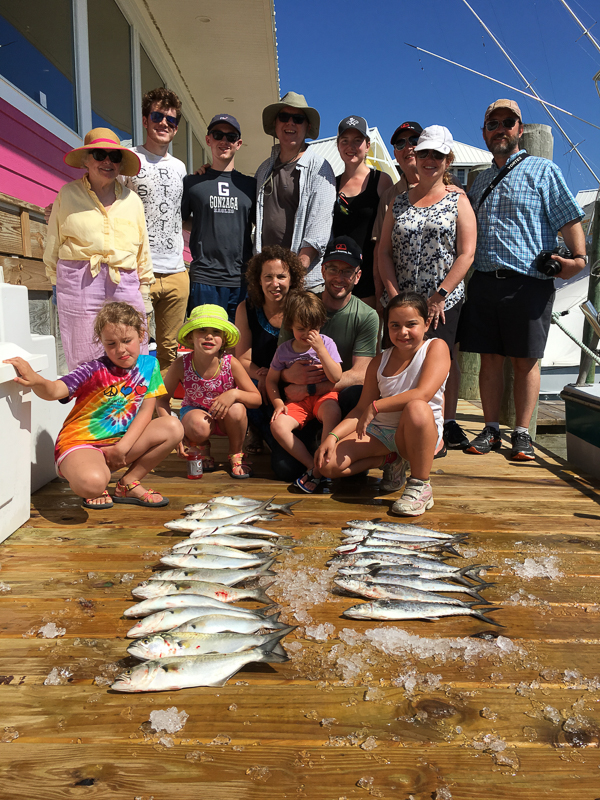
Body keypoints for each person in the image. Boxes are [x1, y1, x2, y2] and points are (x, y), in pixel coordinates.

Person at [461, 99, 586, 460]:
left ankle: (521, 433)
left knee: (526, 360)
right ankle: (490, 430)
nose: (500, 129)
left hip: (528, 281)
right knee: (490, 359)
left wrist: (576, 259)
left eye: (507, 122)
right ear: (485, 132)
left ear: (519, 129)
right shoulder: (479, 179)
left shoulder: (543, 170)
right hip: (484, 279)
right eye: (493, 123)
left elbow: (568, 216)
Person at [3, 302, 182, 509]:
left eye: (127, 340)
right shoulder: (92, 369)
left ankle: (128, 483)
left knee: (172, 426)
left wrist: (121, 448)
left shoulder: (150, 365)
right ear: (102, 343)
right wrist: (36, 380)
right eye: (111, 344)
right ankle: (93, 476)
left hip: (121, 443)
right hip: (81, 443)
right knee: (94, 483)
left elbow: (146, 410)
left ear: (141, 335)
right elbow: (54, 391)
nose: (120, 350)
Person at [378, 126, 477, 453]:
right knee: (400, 365)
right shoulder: (399, 201)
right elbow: (384, 252)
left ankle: (438, 431)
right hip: (403, 304)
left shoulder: (458, 199)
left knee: (439, 368)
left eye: (437, 154)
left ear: (448, 160)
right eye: (424, 154)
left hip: (441, 304)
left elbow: (466, 253)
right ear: (415, 157)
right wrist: (394, 298)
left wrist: (440, 296)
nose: (429, 160)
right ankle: (397, 433)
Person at [315, 292, 450, 517]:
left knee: (416, 406)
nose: (403, 332)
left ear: (426, 324)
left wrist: (377, 406)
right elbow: (360, 409)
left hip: (418, 432)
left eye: (411, 324)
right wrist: (332, 437)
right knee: (327, 465)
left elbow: (423, 393)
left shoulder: (436, 348)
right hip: (382, 433)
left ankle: (420, 485)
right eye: (395, 325)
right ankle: (391, 460)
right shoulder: (380, 360)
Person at [44, 129, 153, 371]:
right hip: (78, 279)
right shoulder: (68, 193)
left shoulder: (132, 200)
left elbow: (142, 248)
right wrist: (54, 281)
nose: (107, 161)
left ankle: (135, 406)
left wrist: (145, 289)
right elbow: (54, 239)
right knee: (84, 348)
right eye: (99, 154)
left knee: (132, 345)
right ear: (86, 160)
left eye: (114, 157)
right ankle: (92, 406)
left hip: (123, 279)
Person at [274, 236, 380, 482]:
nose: (339, 277)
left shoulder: (367, 316)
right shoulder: (301, 305)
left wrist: (310, 386)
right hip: (297, 400)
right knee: (284, 469)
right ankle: (313, 454)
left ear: (358, 275)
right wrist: (289, 377)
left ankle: (335, 444)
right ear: (322, 270)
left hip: (332, 399)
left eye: (347, 271)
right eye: (333, 269)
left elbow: (361, 373)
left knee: (357, 392)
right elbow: (279, 363)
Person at [123, 88, 188, 371]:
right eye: (158, 116)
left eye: (171, 120)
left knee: (169, 349)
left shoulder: (181, 168)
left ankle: (162, 410)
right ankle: (136, 407)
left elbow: (183, 213)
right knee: (133, 345)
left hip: (176, 271)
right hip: (139, 272)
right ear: (145, 120)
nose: (164, 124)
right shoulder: (127, 159)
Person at [157, 304, 260, 478]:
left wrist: (234, 393)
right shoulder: (181, 365)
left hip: (227, 419)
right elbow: (161, 398)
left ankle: (235, 453)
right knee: (198, 425)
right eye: (202, 330)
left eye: (216, 332)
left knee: (237, 408)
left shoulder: (230, 363)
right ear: (191, 336)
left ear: (224, 339)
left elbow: (256, 399)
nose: (209, 336)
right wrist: (172, 428)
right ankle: (201, 446)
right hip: (197, 417)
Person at [255, 92, 336, 292]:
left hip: (302, 283)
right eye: (284, 117)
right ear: (275, 123)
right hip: (268, 282)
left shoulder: (320, 167)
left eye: (298, 119)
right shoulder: (263, 169)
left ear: (307, 127)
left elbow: (319, 229)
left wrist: (294, 274)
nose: (290, 123)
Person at [182, 114, 256, 322]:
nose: (224, 141)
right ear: (208, 140)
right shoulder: (193, 182)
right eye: (218, 135)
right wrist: (205, 225)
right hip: (205, 278)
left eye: (231, 137)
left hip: (241, 279)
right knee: (207, 344)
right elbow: (181, 219)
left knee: (238, 345)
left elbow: (261, 225)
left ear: (238, 144)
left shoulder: (250, 185)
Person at [267, 291, 342, 493]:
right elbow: (271, 380)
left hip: (323, 397)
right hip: (298, 402)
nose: (308, 334)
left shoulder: (326, 343)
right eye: (301, 329)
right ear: (290, 324)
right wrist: (278, 403)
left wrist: (321, 351)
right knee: (278, 426)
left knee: (332, 412)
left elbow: (336, 376)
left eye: (314, 329)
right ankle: (313, 465)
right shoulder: (284, 350)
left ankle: (325, 458)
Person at [234, 245, 306, 454]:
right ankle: (256, 431)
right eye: (268, 277)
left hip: (294, 379)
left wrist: (278, 376)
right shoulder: (245, 309)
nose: (275, 284)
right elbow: (242, 360)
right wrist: (263, 375)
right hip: (260, 380)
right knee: (249, 388)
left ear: (292, 279)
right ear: (259, 280)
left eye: (281, 277)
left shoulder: (302, 306)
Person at [332, 116, 393, 307]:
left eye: (357, 140)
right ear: (338, 145)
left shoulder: (381, 181)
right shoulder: (331, 183)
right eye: (345, 141)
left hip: (369, 278)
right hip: (337, 279)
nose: (351, 146)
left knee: (368, 334)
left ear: (367, 145)